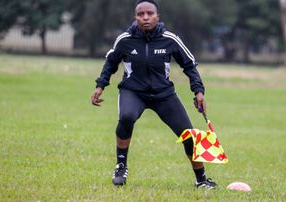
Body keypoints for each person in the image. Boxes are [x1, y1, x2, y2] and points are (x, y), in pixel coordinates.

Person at [91, 0, 217, 189]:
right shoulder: (125, 39)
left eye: (150, 13)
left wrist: (198, 91)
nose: (145, 17)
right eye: (140, 14)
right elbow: (111, 62)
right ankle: (121, 166)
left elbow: (189, 65)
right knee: (126, 117)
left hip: (164, 95)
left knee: (188, 135)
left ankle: (201, 180)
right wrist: (101, 85)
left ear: (158, 16)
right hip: (133, 91)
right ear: (136, 17)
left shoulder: (170, 39)